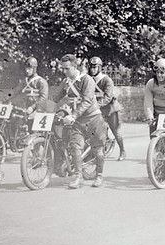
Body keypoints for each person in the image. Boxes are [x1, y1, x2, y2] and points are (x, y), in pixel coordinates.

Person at [52, 54, 108, 188]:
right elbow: (55, 98)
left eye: (67, 69)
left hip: (93, 118)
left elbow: (87, 101)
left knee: (98, 149)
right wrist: (44, 107)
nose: (64, 71)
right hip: (78, 121)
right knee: (75, 147)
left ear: (74, 66)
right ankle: (78, 177)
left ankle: (99, 176)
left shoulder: (86, 79)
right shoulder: (65, 82)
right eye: (63, 69)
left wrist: (73, 115)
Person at [88, 56, 126, 160]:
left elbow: (108, 97)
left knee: (115, 131)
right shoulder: (89, 80)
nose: (93, 69)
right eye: (91, 67)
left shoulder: (106, 80)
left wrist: (97, 105)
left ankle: (122, 151)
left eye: (95, 67)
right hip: (97, 110)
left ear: (100, 68)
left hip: (110, 110)